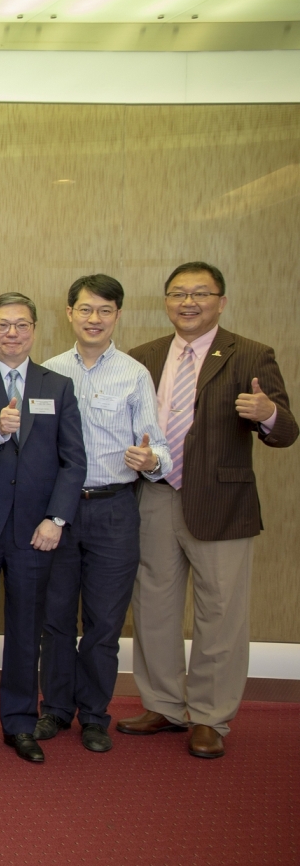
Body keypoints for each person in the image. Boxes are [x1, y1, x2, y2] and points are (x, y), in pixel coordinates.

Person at [121, 261, 295, 759]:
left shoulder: (251, 355)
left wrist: (270, 415)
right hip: (155, 495)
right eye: (178, 293)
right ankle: (164, 705)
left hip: (222, 503)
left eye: (201, 293)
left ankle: (211, 716)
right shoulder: (144, 358)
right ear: (166, 301)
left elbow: (286, 432)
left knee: (220, 612)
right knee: (153, 607)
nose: (188, 302)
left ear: (221, 300)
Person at [0, 293, 85, 764]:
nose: (11, 333)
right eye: (2, 325)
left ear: (34, 330)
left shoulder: (58, 385)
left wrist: (56, 518)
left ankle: (22, 723)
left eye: (21, 325)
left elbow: (73, 462)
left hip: (35, 530)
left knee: (27, 628)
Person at [38, 274, 169, 753]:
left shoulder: (134, 374)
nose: (95, 319)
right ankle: (53, 710)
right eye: (86, 309)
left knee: (104, 624)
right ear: (69, 312)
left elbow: (159, 445)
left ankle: (93, 715)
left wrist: (152, 461)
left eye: (105, 311)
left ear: (118, 315)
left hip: (115, 510)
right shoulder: (49, 372)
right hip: (59, 512)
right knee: (54, 621)